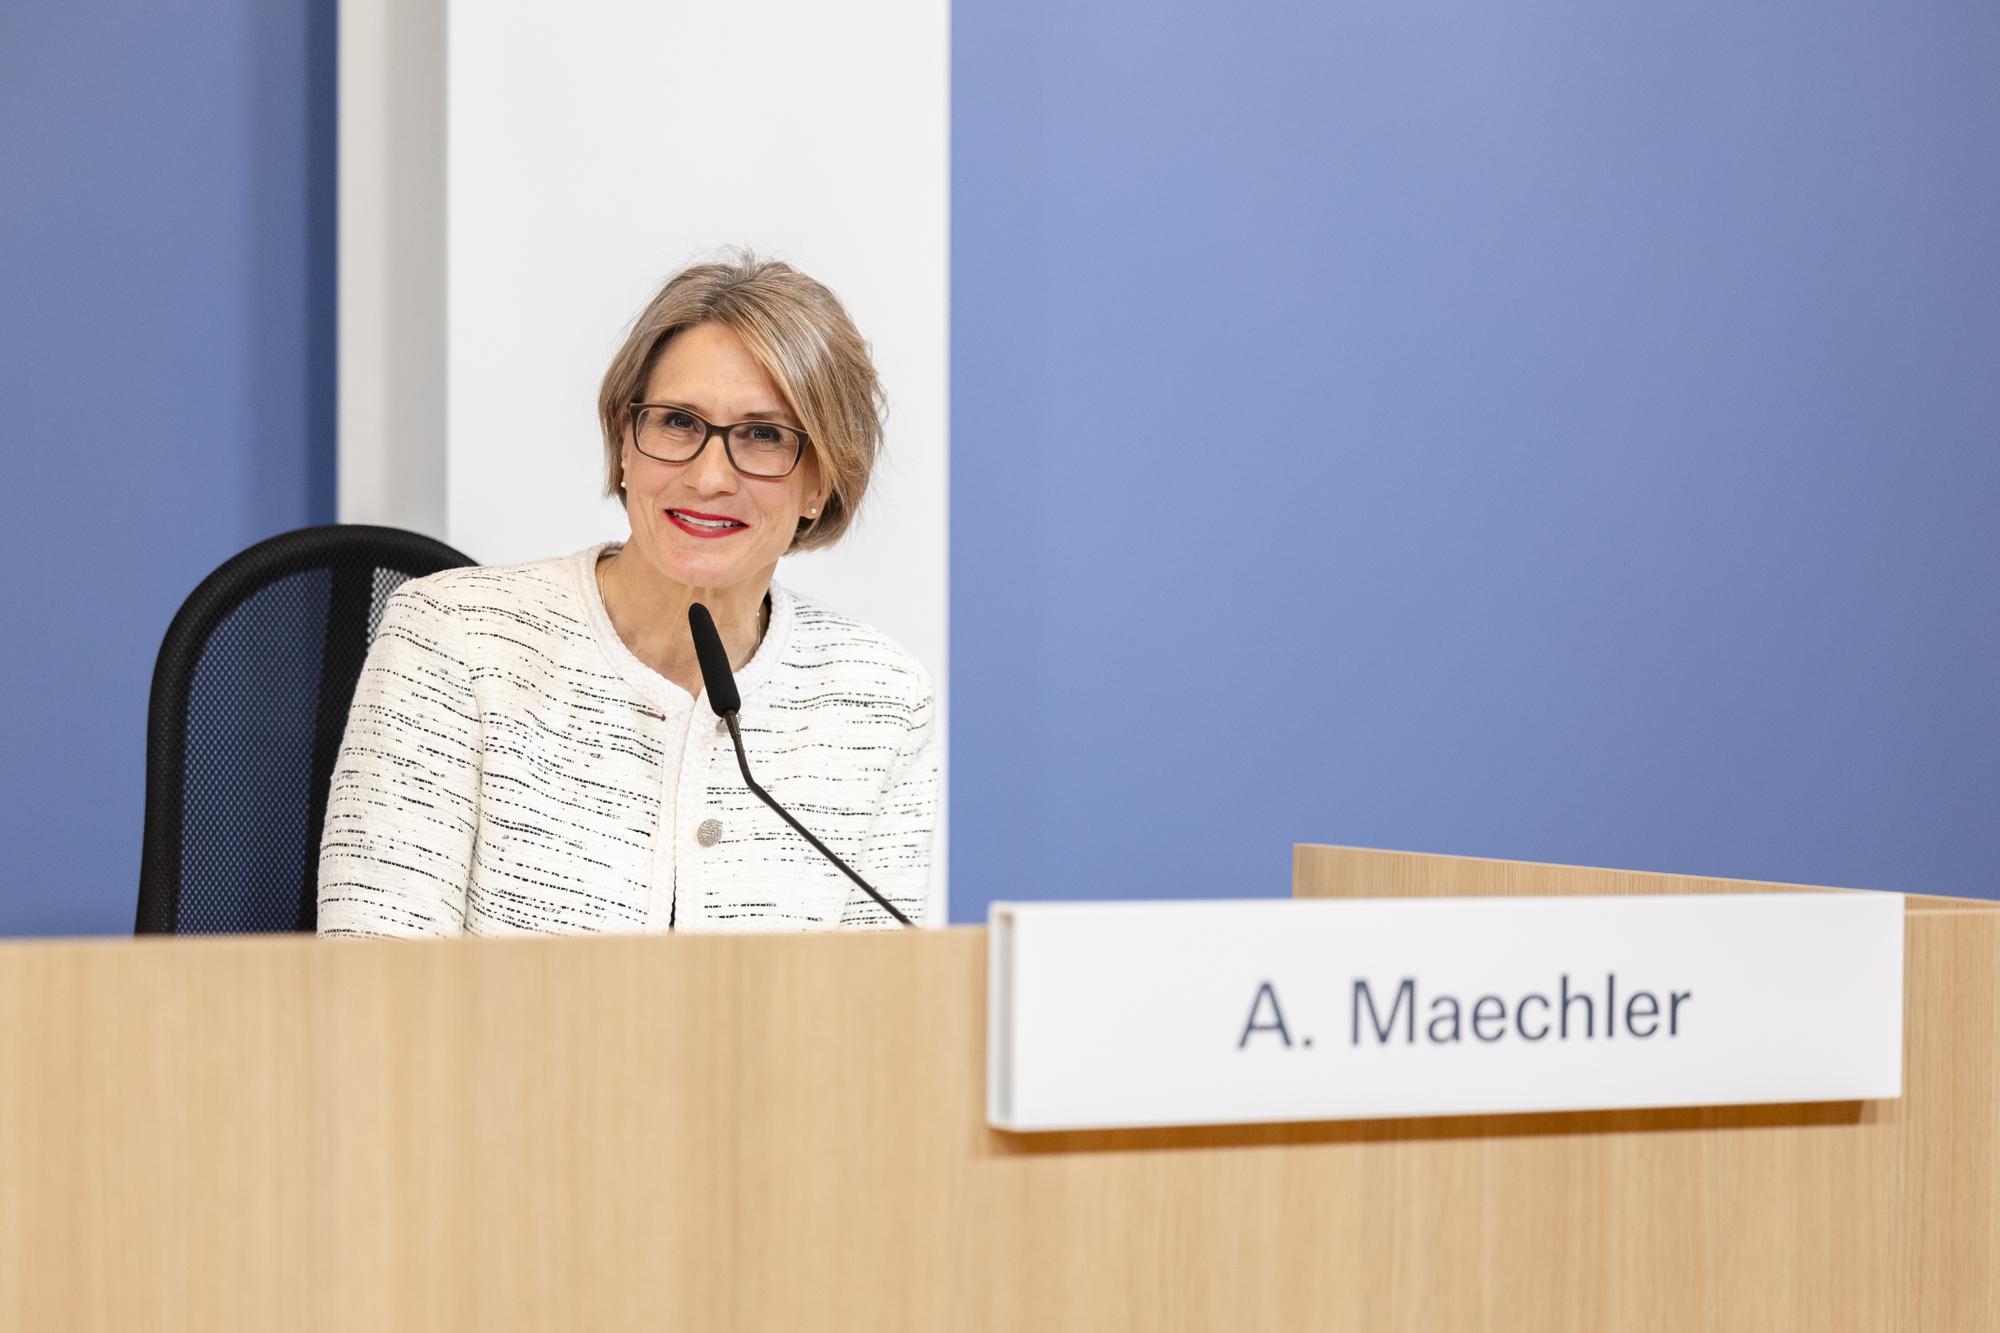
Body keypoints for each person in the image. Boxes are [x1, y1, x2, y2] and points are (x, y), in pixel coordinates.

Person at [316, 256, 937, 936]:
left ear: (821, 480)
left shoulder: (880, 699)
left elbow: (880, 1011)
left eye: (763, 435)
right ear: (623, 441)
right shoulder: (450, 641)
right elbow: (376, 988)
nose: (708, 477)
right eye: (677, 421)